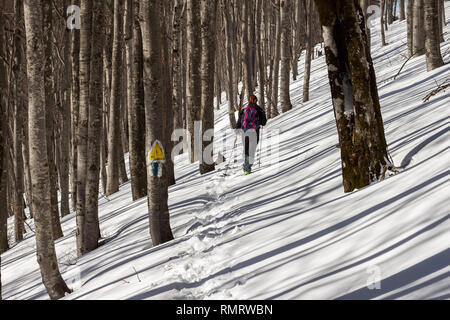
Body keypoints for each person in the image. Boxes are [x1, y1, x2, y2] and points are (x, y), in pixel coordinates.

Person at [236, 94, 267, 175]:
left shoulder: (244, 110)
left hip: (245, 132)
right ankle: (247, 167)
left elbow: (239, 121)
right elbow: (263, 123)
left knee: (246, 149)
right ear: (256, 100)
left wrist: (237, 130)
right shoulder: (259, 109)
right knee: (252, 149)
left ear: (248, 101)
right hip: (254, 131)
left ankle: (246, 166)